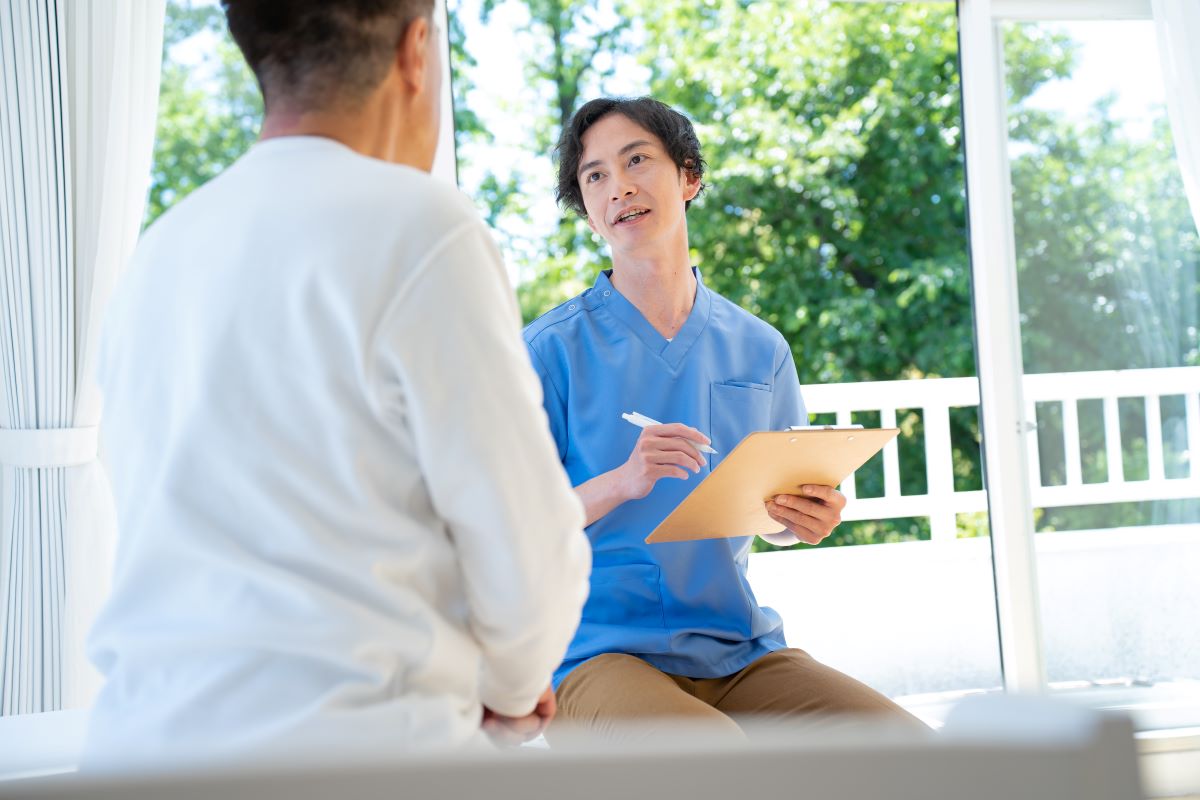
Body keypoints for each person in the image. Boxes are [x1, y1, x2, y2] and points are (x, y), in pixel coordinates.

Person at [84, 0, 589, 767]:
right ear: (417, 52)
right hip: (359, 752)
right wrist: (515, 689)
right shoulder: (421, 225)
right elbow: (526, 543)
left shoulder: (159, 251)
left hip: (138, 748)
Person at [523, 97, 920, 740]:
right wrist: (623, 481)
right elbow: (512, 530)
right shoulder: (548, 352)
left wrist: (801, 520)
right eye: (594, 175)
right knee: (716, 759)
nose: (618, 185)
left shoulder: (760, 347)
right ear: (588, 209)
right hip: (594, 655)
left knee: (909, 753)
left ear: (688, 177)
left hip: (737, 649)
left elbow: (774, 514)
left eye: (636, 160)